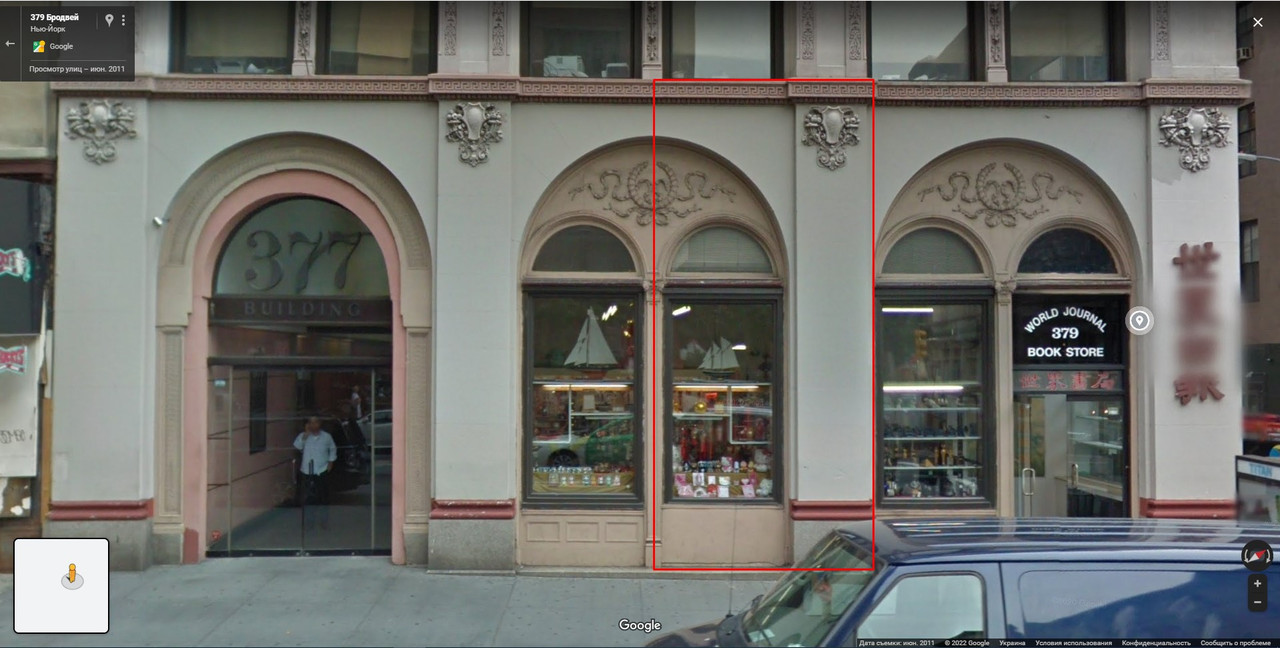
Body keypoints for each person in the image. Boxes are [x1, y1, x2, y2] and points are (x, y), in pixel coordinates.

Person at [294, 416, 337, 530]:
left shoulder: (326, 437)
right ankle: (309, 523)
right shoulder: (303, 436)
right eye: (311, 423)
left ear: (320, 423)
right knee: (309, 499)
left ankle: (324, 521)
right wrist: (305, 435)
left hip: (322, 470)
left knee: (323, 498)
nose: (313, 425)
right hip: (307, 471)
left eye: (315, 422)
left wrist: (331, 462)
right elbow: (297, 446)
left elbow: (333, 449)